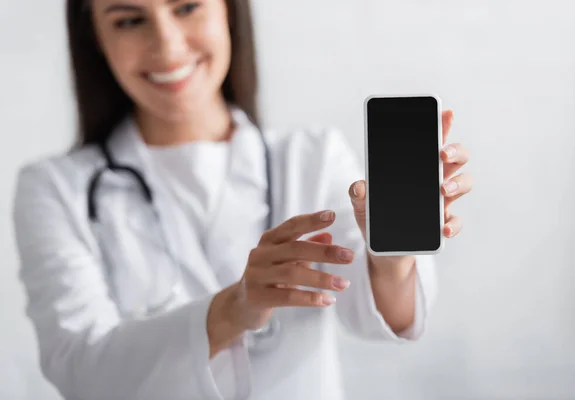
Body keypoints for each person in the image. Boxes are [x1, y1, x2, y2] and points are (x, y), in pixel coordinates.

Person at [12, 0, 472, 399]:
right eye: (129, 20)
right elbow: (80, 372)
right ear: (95, 37)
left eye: (187, 7)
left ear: (228, 11)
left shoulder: (311, 158)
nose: (168, 45)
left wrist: (392, 259)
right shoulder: (53, 189)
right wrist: (233, 309)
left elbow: (384, 318)